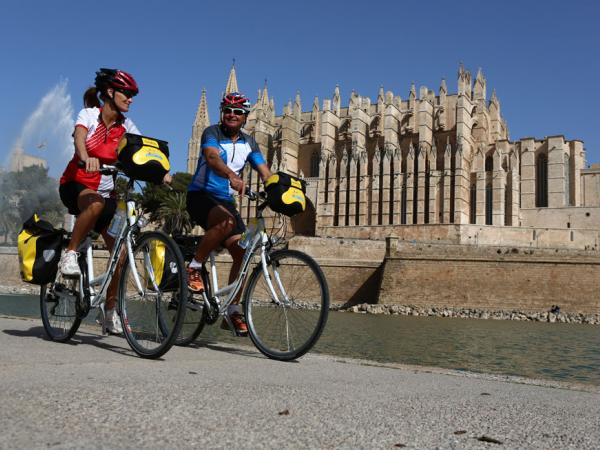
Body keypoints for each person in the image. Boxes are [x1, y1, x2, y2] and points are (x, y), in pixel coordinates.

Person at [58, 68, 142, 334]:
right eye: (127, 94)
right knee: (93, 204)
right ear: (110, 92)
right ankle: (69, 254)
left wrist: (161, 172)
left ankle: (109, 312)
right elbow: (80, 138)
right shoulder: (89, 114)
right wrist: (85, 157)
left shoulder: (127, 126)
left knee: (121, 255)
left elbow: (143, 146)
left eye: (132, 95)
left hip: (106, 195)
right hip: (76, 185)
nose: (131, 99)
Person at [186, 92, 272, 336]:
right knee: (225, 221)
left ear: (245, 117)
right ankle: (194, 266)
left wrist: (280, 187)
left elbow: (264, 170)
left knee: (243, 253)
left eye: (238, 112)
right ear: (222, 113)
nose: (232, 115)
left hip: (225, 201)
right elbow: (212, 158)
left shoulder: (250, 143)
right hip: (200, 196)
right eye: (228, 110)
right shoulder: (211, 133)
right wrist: (232, 176)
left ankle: (232, 308)